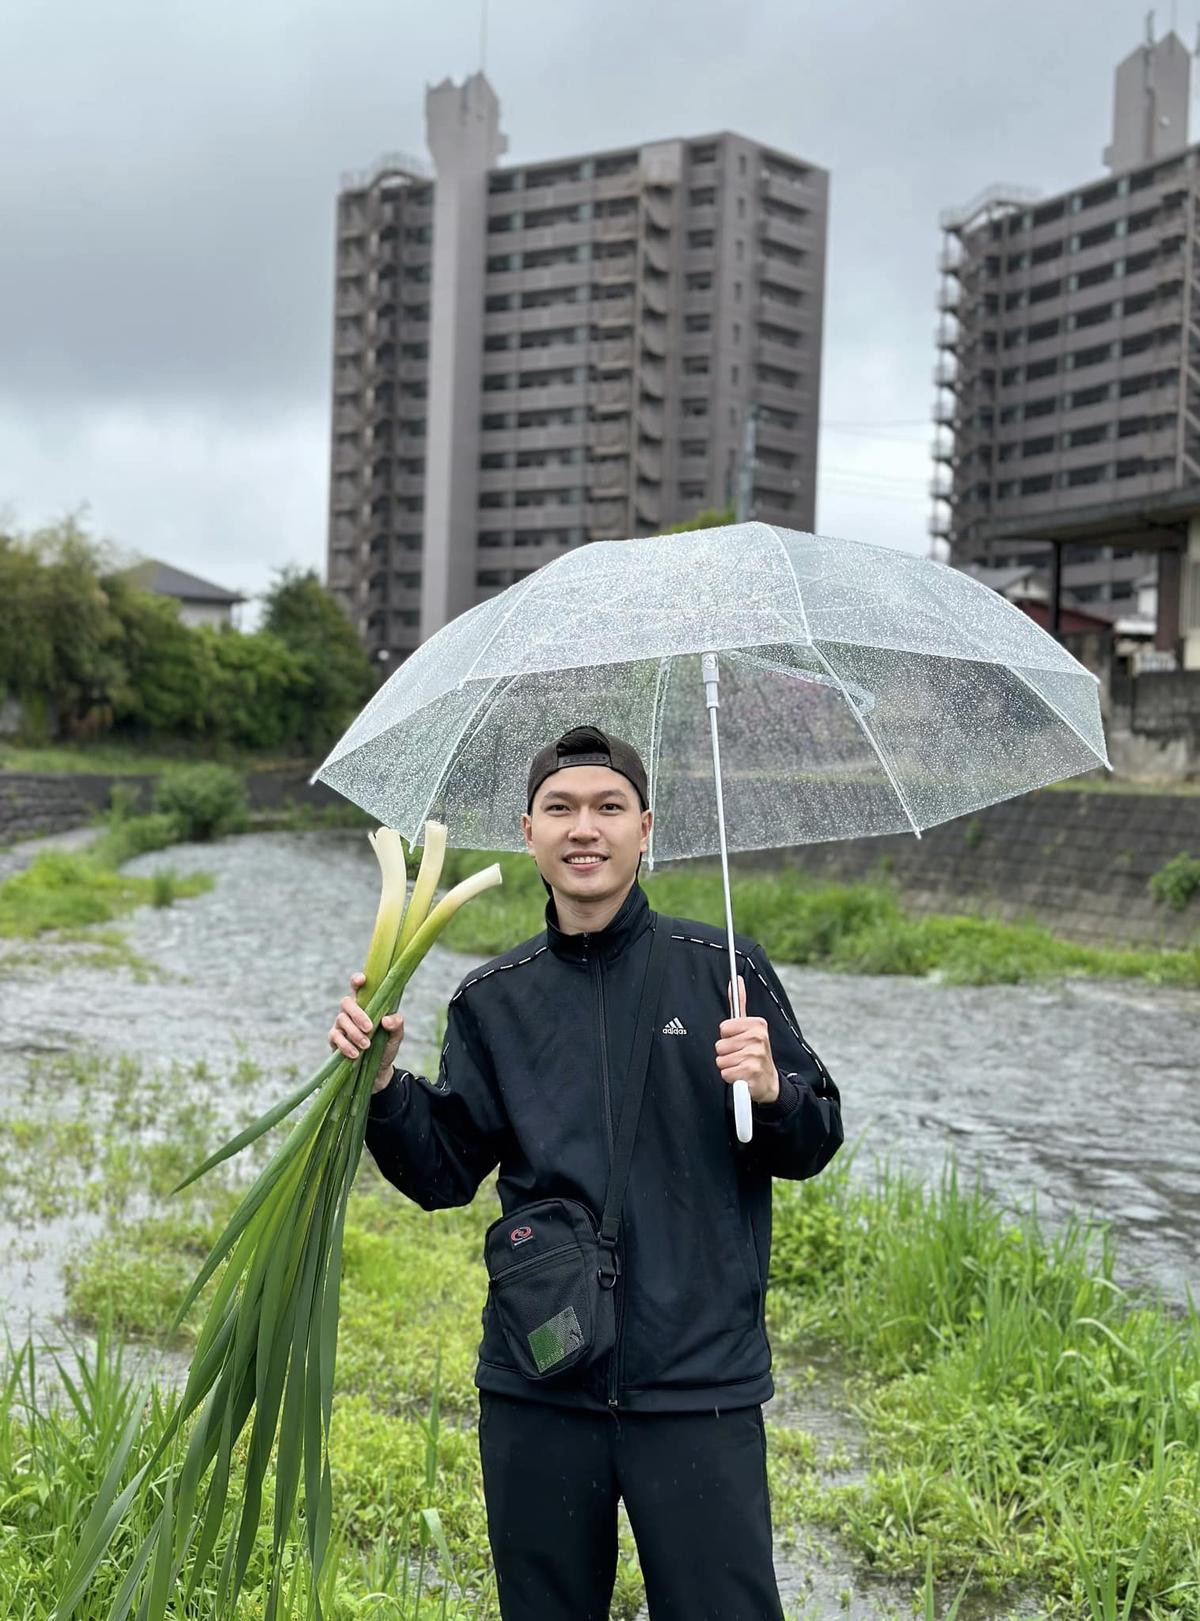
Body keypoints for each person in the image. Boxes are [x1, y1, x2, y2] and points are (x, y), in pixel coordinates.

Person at [329, 723, 843, 1621]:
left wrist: (770, 1089)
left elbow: (815, 1139)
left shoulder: (722, 971)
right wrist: (380, 1084)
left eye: (609, 807)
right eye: (561, 808)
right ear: (527, 832)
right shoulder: (495, 998)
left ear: (647, 829)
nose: (585, 828)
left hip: (699, 1385)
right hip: (541, 1377)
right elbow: (445, 1167)